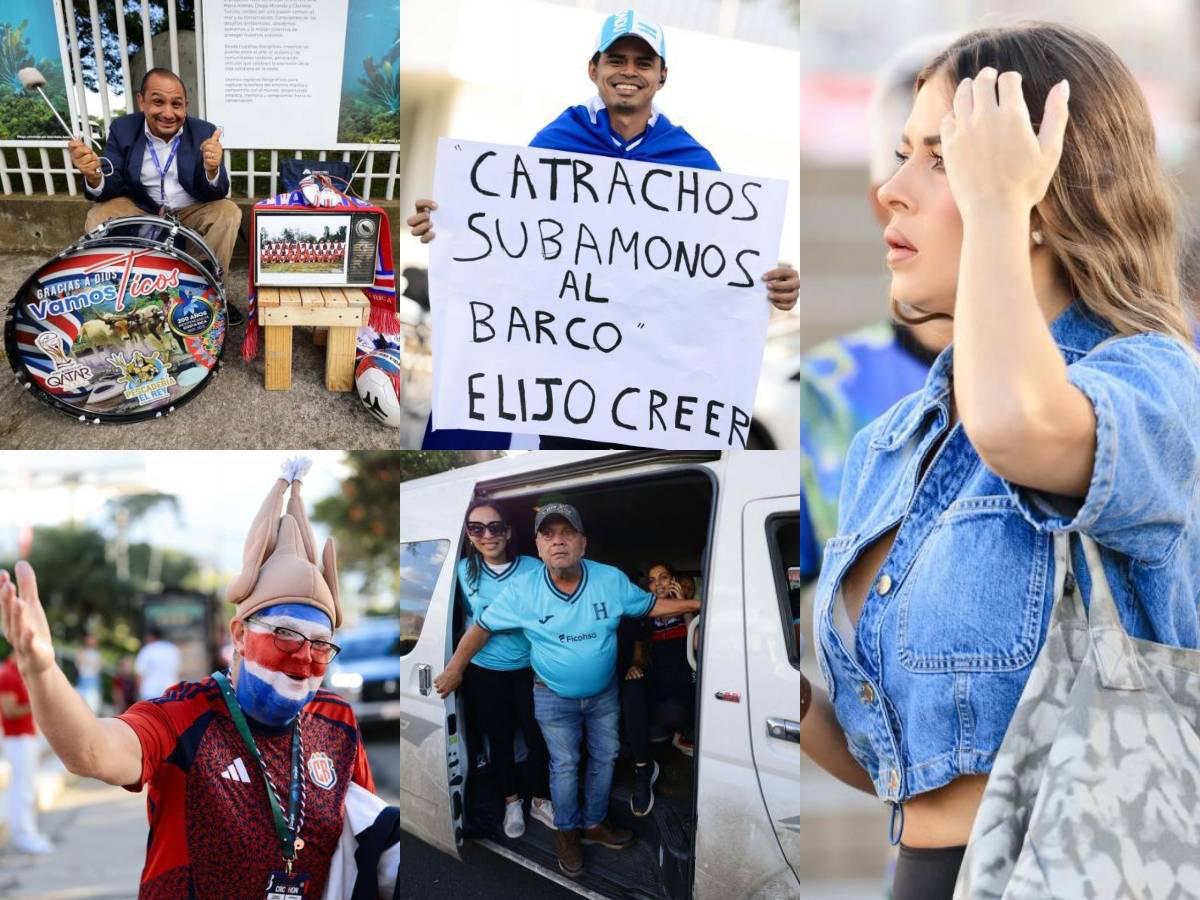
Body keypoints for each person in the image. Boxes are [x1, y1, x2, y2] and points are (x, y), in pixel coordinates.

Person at [800, 24, 1200, 900]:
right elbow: (892, 757)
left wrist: (993, 206)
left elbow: (1020, 425)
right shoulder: (890, 441)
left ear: (1040, 198)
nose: (889, 191)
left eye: (941, 159)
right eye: (902, 153)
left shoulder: (1154, 381)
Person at [407, 10, 800, 450]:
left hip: (636, 392)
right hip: (557, 377)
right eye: (617, 60)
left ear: (662, 75)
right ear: (594, 69)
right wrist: (446, 227)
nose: (629, 71)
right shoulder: (553, 143)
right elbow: (509, 242)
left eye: (643, 62)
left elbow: (722, 269)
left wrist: (774, 285)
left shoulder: (695, 165)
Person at [0, 461, 390, 897]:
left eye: (321, 643)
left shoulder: (336, 721)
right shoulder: (186, 712)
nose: (304, 656)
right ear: (239, 634)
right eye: (284, 633)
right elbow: (92, 752)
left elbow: (365, 832)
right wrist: (41, 668)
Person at [433, 503, 701, 878]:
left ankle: (593, 823)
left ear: (583, 543)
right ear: (538, 547)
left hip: (604, 694)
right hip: (552, 695)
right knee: (565, 765)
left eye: (567, 534)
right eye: (548, 535)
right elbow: (481, 627)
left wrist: (698, 603)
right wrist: (455, 669)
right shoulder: (522, 590)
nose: (557, 541)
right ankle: (567, 831)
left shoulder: (610, 579)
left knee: (605, 756)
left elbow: (649, 605)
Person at [799, 35, 955, 584]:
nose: (901, 192)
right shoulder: (820, 397)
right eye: (901, 160)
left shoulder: (1146, 369)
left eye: (943, 161)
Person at [66, 68, 245, 326]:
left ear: (186, 106)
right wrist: (94, 176)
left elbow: (216, 192)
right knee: (100, 214)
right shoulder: (123, 129)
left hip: (189, 209)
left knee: (228, 212)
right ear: (142, 101)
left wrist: (213, 169)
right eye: (158, 101)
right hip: (142, 208)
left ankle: (210, 293)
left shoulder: (204, 131)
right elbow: (111, 181)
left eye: (177, 104)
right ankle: (117, 293)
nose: (168, 113)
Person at [455, 499, 555, 838]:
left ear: (509, 532)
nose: (487, 535)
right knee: (497, 740)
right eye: (477, 528)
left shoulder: (533, 568)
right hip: (485, 670)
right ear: (469, 535)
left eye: (495, 527)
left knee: (538, 735)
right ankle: (512, 802)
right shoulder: (463, 571)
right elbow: (466, 620)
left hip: (530, 668)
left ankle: (540, 800)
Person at [0, 650, 53, 854]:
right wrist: (36, 704)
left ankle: (27, 832)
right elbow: (9, 710)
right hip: (17, 739)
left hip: (24, 738)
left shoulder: (18, 673)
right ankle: (23, 835)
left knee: (27, 788)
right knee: (22, 789)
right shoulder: (8, 674)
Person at [133, 626, 180, 702]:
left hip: (150, 692)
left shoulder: (148, 650)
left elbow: (140, 674)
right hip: (170, 691)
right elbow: (178, 671)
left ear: (151, 636)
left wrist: (137, 692)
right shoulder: (173, 649)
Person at [75, 633, 102, 714]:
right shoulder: (81, 652)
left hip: (93, 682)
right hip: (83, 681)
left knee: (92, 707)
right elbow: (79, 664)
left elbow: (98, 667)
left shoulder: (97, 654)